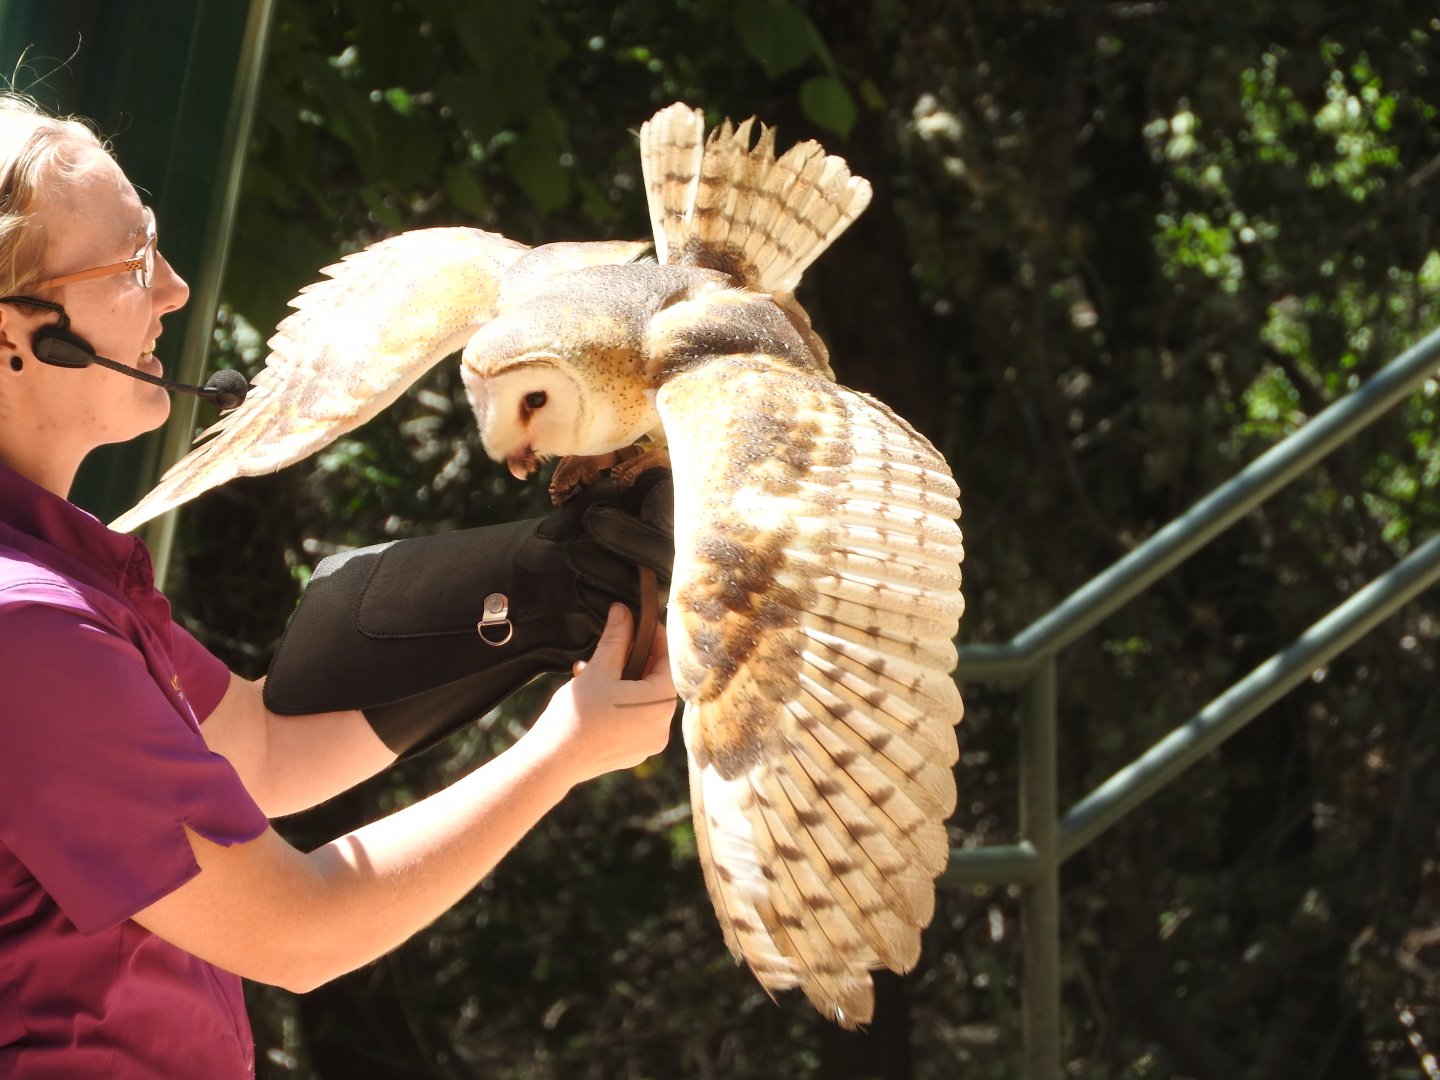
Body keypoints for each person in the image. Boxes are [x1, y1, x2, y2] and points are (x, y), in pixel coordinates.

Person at [0, 93, 677, 1077]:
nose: (177, 290)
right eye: (132, 261)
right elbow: (297, 931)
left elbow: (262, 748)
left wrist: (539, 602)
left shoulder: (61, 578)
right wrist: (564, 753)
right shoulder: (27, 633)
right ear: (16, 332)